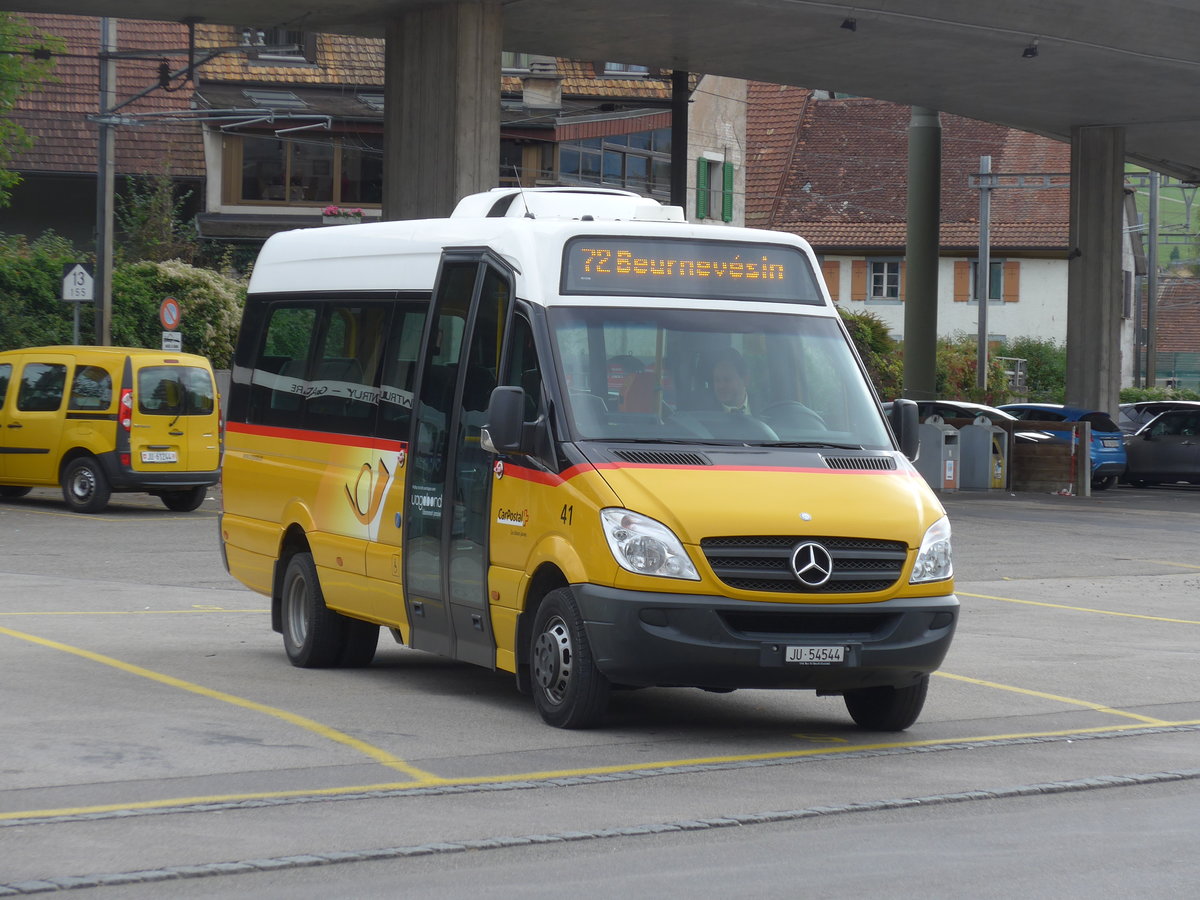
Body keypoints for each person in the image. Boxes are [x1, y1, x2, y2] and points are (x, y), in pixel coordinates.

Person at [711, 349, 751, 413]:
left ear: (745, 380)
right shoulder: (703, 411)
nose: (721, 386)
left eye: (727, 380)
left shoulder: (764, 406)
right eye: (717, 380)